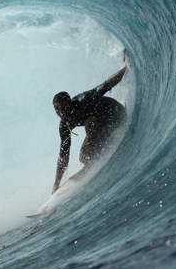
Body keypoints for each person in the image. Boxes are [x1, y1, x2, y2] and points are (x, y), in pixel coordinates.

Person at [52, 65, 128, 193]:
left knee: (90, 126)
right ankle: (94, 162)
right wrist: (56, 184)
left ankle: (92, 164)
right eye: (58, 110)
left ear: (70, 103)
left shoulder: (84, 100)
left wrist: (127, 68)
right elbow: (63, 156)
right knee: (84, 157)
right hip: (105, 124)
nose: (61, 113)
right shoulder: (64, 124)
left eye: (63, 108)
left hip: (116, 113)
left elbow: (107, 85)